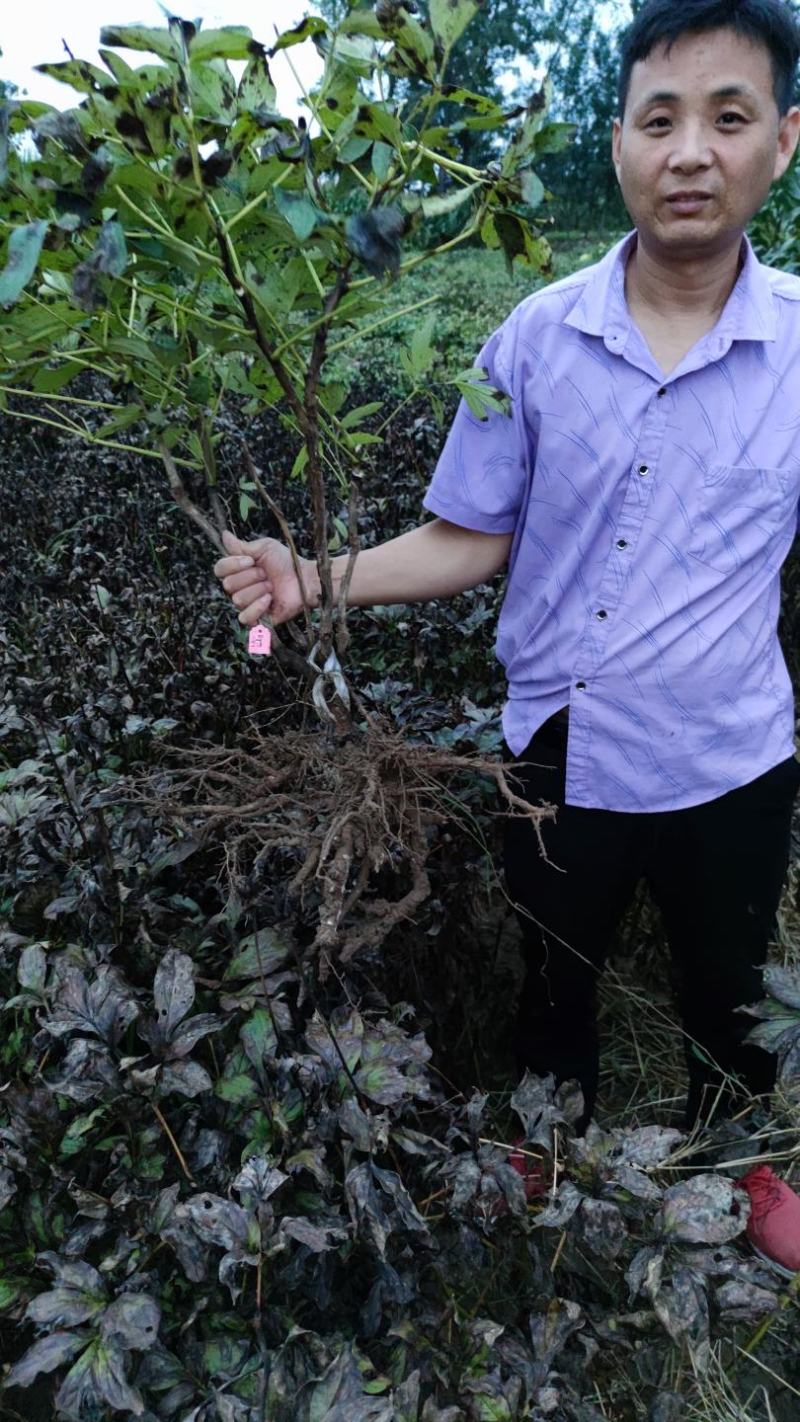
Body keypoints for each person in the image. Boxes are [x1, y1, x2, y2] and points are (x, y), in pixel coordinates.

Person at [215, 0, 800, 1254]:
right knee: (553, 975)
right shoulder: (534, 339)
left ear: (781, 142)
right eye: (659, 118)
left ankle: (740, 1160)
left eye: (726, 117)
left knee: (732, 989)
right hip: (560, 754)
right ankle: (547, 1136)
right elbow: (472, 538)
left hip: (732, 757)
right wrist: (309, 575)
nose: (688, 151)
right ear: (618, 143)